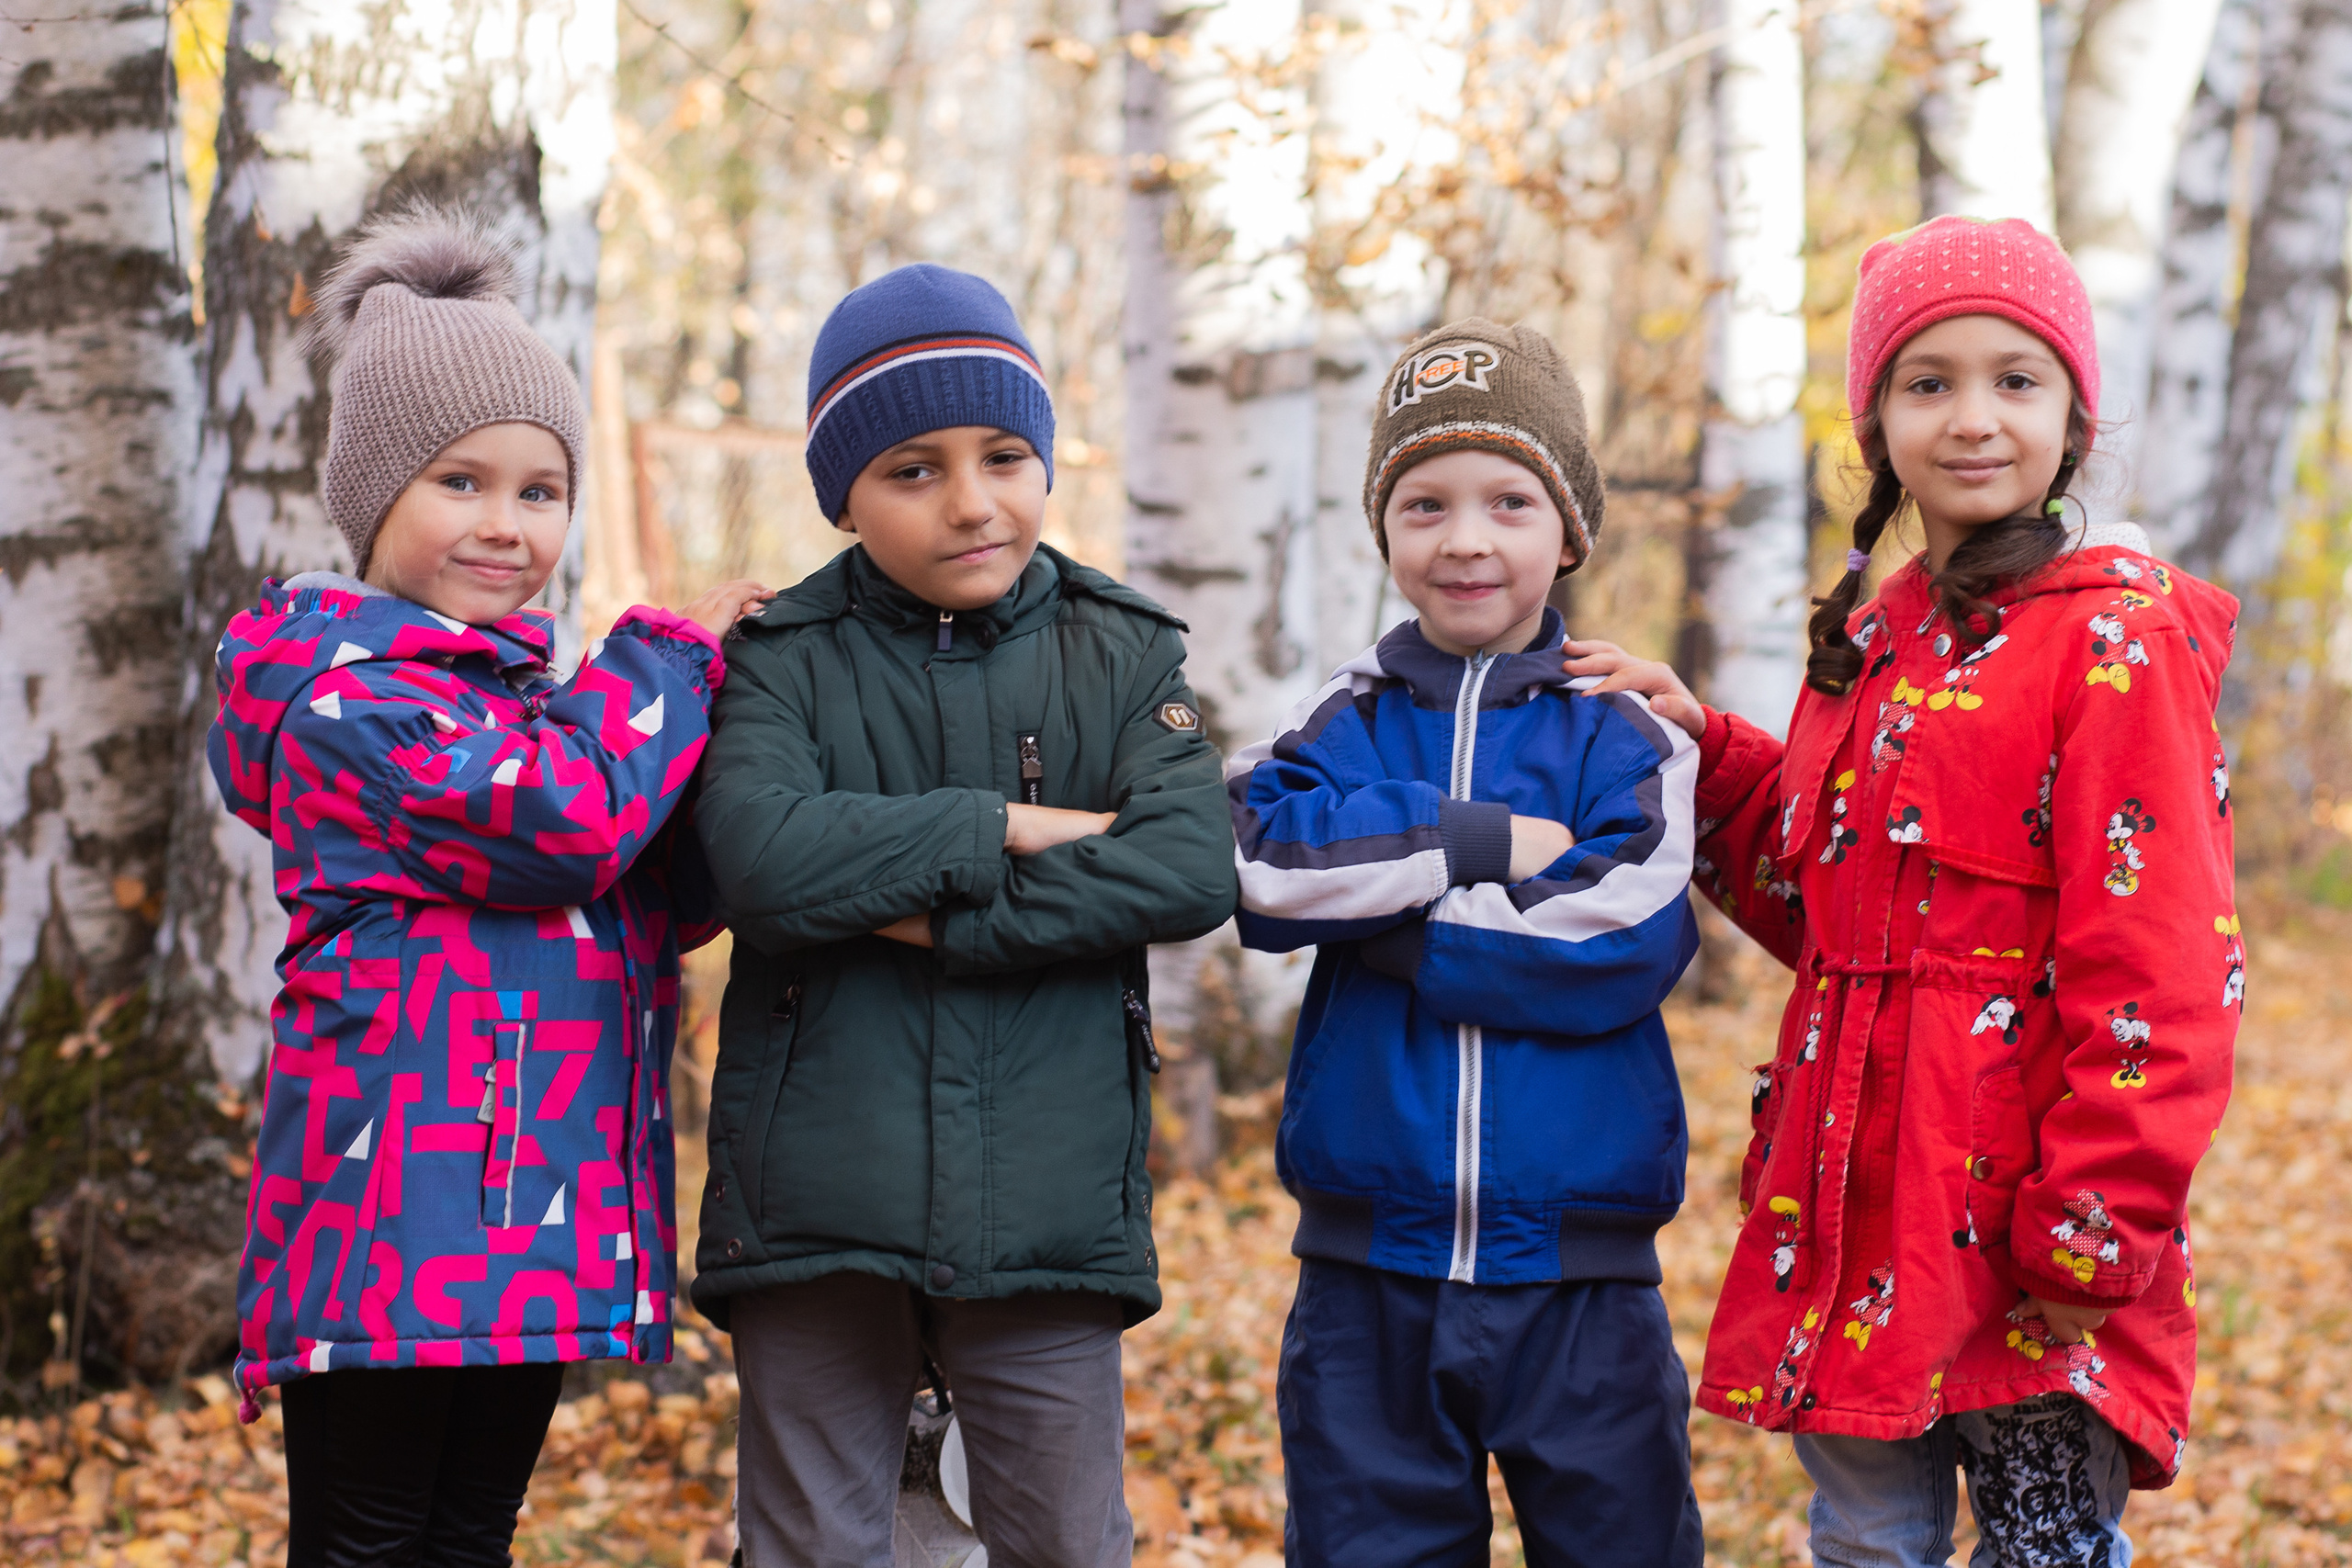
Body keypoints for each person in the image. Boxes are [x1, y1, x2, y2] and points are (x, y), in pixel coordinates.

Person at [1571, 215, 2241, 1564]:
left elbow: (2164, 975)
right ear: (1876, 421)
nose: (1973, 418)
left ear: (2074, 412)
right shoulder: (1881, 641)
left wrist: (2087, 1243)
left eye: (2016, 378)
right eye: (1927, 383)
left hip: (2023, 1240)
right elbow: (1829, 908)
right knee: (1867, 1543)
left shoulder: (2115, 640)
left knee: (2041, 1552)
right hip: (1860, 1214)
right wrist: (1704, 748)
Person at [207, 208, 767, 1568]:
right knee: (370, 1542)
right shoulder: (345, 700)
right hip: (388, 1219)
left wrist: (742, 739)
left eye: (539, 491)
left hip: (529, 1217)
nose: (506, 526)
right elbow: (569, 826)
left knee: (471, 1537)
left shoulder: (540, 706)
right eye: (461, 483)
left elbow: (639, 896)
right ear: (373, 497)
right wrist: (670, 657)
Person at [689, 262, 1238, 1568]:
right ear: (844, 494)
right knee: (816, 1545)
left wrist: (918, 912)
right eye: (914, 470)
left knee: (1064, 1543)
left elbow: (1186, 872)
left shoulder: (1122, 650)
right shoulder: (779, 658)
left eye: (1004, 455)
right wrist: (994, 824)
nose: (974, 503)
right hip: (817, 1200)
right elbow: (762, 860)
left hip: (1047, 1210)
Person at [1227, 319, 1707, 1566]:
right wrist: (1480, 839)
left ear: (1569, 530)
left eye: (1510, 500)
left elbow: (1618, 933)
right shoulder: (1346, 719)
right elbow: (1253, 858)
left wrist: (1383, 923)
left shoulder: (1624, 734)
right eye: (1426, 503)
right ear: (1387, 531)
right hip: (1365, 1266)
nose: (1468, 539)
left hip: (1580, 1274)